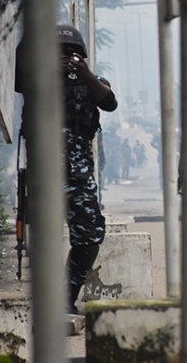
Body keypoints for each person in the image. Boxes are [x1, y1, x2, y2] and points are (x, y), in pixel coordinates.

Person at [16, 24, 118, 314]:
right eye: (61, 53)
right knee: (41, 237)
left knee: (90, 234)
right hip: (43, 173)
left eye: (73, 53)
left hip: (78, 175)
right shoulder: (36, 81)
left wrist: (84, 74)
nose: (68, 58)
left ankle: (66, 294)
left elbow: (110, 102)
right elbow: (18, 77)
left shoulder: (93, 82)